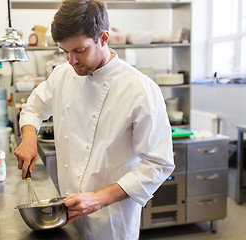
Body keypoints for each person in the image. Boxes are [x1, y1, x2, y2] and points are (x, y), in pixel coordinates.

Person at [14, 0, 175, 239]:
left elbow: (158, 164)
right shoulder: (62, 74)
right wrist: (28, 138)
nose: (72, 60)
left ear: (104, 37)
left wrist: (99, 200)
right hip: (68, 210)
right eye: (65, 51)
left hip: (111, 218)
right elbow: (34, 107)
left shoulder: (139, 88)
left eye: (80, 50)